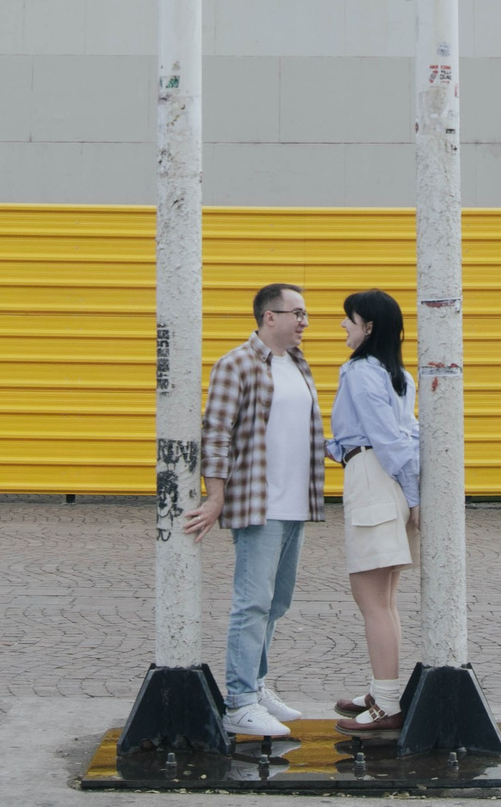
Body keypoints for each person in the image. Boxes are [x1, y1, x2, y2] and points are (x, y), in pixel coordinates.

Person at [183, 282, 324, 741]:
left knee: (276, 603)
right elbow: (217, 434)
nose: (304, 322)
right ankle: (239, 701)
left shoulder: (299, 365)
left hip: (295, 504)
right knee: (252, 603)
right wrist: (216, 496)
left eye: (305, 314)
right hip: (257, 505)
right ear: (269, 316)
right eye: (297, 313)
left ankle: (257, 688)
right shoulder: (236, 364)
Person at [327, 289, 420, 733]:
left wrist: (417, 500)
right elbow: (403, 435)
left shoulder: (361, 371)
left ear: (369, 328)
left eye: (351, 319)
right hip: (383, 480)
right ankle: (383, 690)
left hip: (372, 478)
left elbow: (387, 440)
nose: (343, 325)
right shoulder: (398, 373)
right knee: (384, 601)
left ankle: (386, 702)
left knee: (371, 601)